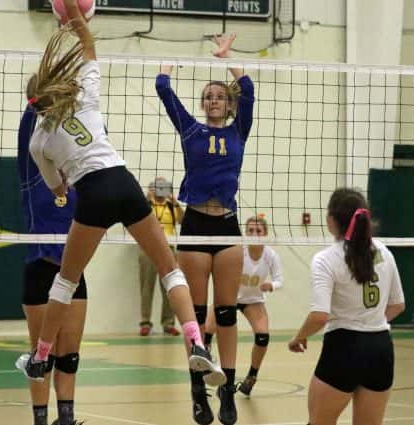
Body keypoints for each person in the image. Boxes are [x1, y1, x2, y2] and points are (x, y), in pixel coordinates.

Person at [15, 0, 223, 397]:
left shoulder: (38, 139)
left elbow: (58, 189)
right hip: (124, 182)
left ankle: (41, 356)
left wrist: (64, 186)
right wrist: (74, 17)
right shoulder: (85, 97)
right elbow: (89, 48)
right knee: (169, 269)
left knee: (65, 280)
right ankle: (195, 342)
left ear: (35, 103)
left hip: (91, 193)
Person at [156, 32, 254, 425]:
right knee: (196, 317)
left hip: (227, 226)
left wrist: (227, 57)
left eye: (220, 96)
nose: (214, 100)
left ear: (228, 105)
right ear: (202, 104)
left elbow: (247, 87)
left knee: (226, 314)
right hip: (194, 225)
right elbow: (164, 90)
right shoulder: (191, 130)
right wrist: (166, 68)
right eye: (208, 96)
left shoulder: (238, 131)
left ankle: (226, 389)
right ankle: (198, 391)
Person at [288, 188, 405, 425]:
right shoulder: (384, 252)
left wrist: (298, 337)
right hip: (381, 349)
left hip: (344, 348)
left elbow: (320, 316)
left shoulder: (326, 259)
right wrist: (369, 320)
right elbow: (398, 305)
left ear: (331, 221)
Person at [17, 100, 88, 425]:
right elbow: (24, 138)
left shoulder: (80, 181)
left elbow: (93, 139)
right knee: (41, 355)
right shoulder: (33, 176)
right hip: (40, 270)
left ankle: (67, 418)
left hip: (73, 274)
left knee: (70, 354)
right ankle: (41, 420)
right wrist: (37, 101)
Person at [203, 215, 283, 397]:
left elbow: (279, 279)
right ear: (245, 233)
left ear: (266, 234)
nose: (254, 234)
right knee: (207, 332)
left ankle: (251, 376)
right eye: (250, 231)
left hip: (253, 300)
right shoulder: (238, 251)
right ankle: (207, 371)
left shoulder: (270, 255)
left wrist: (272, 285)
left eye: (258, 231)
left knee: (263, 336)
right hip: (229, 297)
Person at [139, 177, 183, 337]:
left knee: (170, 287)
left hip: (169, 248)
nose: (160, 190)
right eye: (158, 187)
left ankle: (168, 323)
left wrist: (175, 201)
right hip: (147, 247)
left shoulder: (171, 206)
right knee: (146, 286)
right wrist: (147, 199)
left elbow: (182, 220)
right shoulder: (146, 205)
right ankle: (145, 323)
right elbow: (139, 219)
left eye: (164, 187)